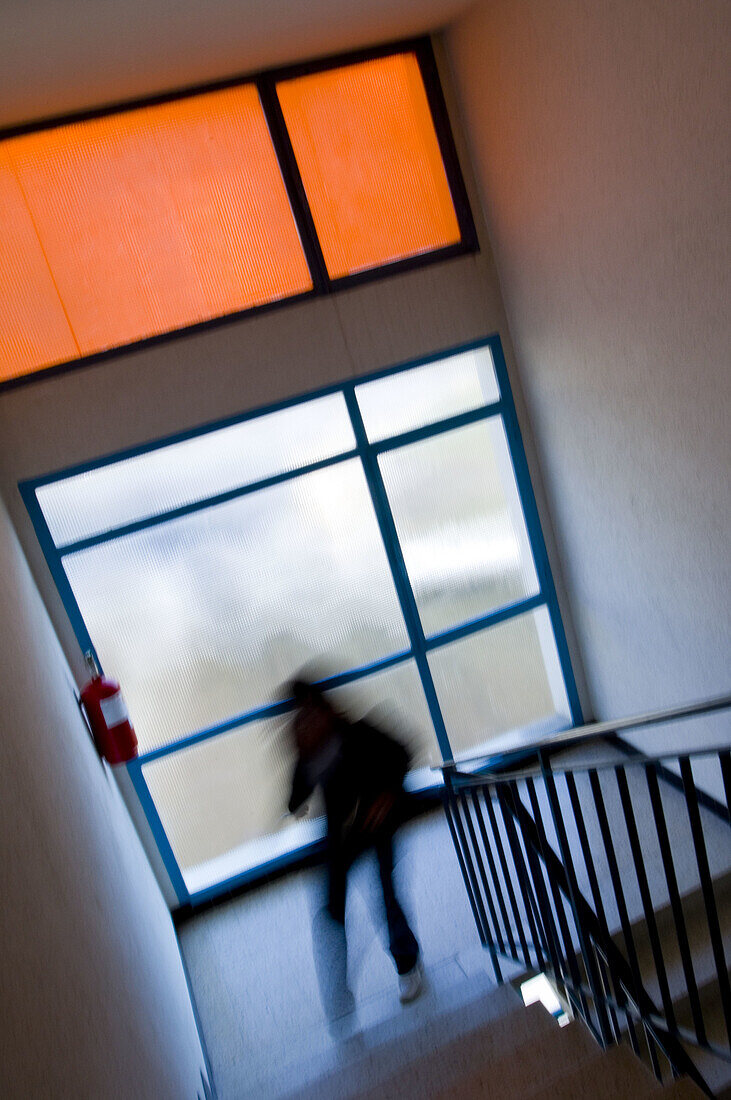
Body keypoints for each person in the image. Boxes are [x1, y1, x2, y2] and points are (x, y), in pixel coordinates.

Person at [286, 677, 422, 1024]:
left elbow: (404, 753)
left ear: (326, 709)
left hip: (377, 825)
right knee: (332, 909)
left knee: (387, 895)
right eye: (301, 717)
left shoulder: (359, 731)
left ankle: (408, 965)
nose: (309, 723)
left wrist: (389, 795)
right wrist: (301, 757)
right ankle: (340, 993)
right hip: (342, 837)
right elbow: (295, 803)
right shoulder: (308, 754)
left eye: (313, 713)